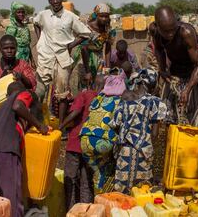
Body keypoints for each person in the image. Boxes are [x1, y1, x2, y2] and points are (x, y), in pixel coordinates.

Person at [0, 81, 49, 217]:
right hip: (6, 151)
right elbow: (18, 105)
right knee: (12, 200)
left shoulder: (3, 108)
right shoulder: (25, 94)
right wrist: (39, 125)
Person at [33, 0, 96, 123]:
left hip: (63, 58)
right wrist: (39, 40)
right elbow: (36, 23)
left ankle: (61, 124)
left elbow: (86, 34)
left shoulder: (70, 17)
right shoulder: (43, 15)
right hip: (46, 56)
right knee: (40, 90)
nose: (55, 1)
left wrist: (71, 45)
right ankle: (38, 121)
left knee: (62, 92)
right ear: (49, 0)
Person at [110, 69, 167, 194]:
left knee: (122, 192)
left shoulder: (125, 98)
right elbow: (155, 133)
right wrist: (151, 150)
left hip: (124, 149)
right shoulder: (155, 102)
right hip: (143, 152)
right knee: (141, 191)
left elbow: (115, 123)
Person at [59, 75, 105, 210]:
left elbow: (76, 111)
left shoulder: (85, 95)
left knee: (70, 179)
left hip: (76, 142)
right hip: (92, 146)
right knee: (86, 181)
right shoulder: (105, 100)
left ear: (91, 83)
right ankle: (86, 210)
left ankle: (71, 209)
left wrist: (62, 125)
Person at [154, 6, 198, 126]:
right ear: (158, 27)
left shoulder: (185, 32)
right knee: (167, 114)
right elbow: (159, 50)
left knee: (192, 115)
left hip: (193, 72)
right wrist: (162, 69)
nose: (170, 34)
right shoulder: (155, 33)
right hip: (175, 71)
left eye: (173, 29)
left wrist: (188, 89)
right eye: (166, 31)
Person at [79, 73, 124, 192]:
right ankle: (104, 199)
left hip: (84, 140)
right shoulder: (119, 101)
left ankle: (96, 197)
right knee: (107, 169)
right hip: (102, 140)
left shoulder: (99, 98)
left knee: (97, 172)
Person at [73, 3, 116, 88]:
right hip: (84, 56)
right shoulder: (87, 28)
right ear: (96, 15)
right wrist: (87, 71)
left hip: (98, 57)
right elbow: (84, 48)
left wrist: (107, 67)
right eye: (101, 16)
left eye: (106, 16)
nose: (104, 19)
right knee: (86, 82)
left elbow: (107, 48)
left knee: (98, 84)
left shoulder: (109, 29)